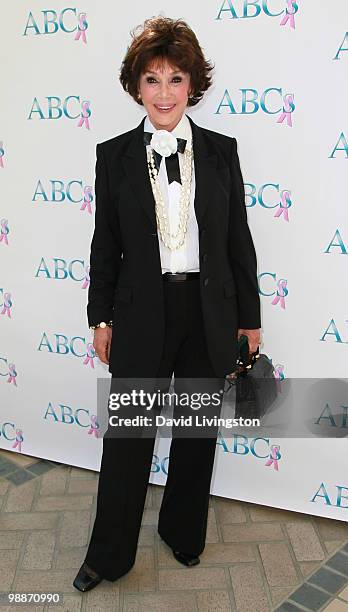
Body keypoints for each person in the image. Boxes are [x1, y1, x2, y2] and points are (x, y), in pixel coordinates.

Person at [73, 15, 261, 592]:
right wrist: (99, 316)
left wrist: (250, 322)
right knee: (128, 439)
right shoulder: (114, 156)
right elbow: (105, 245)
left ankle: (183, 534)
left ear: (192, 86)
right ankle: (108, 556)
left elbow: (238, 242)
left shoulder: (222, 151)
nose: (163, 92)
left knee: (196, 433)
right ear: (136, 87)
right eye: (151, 80)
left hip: (210, 310)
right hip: (139, 313)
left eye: (175, 79)